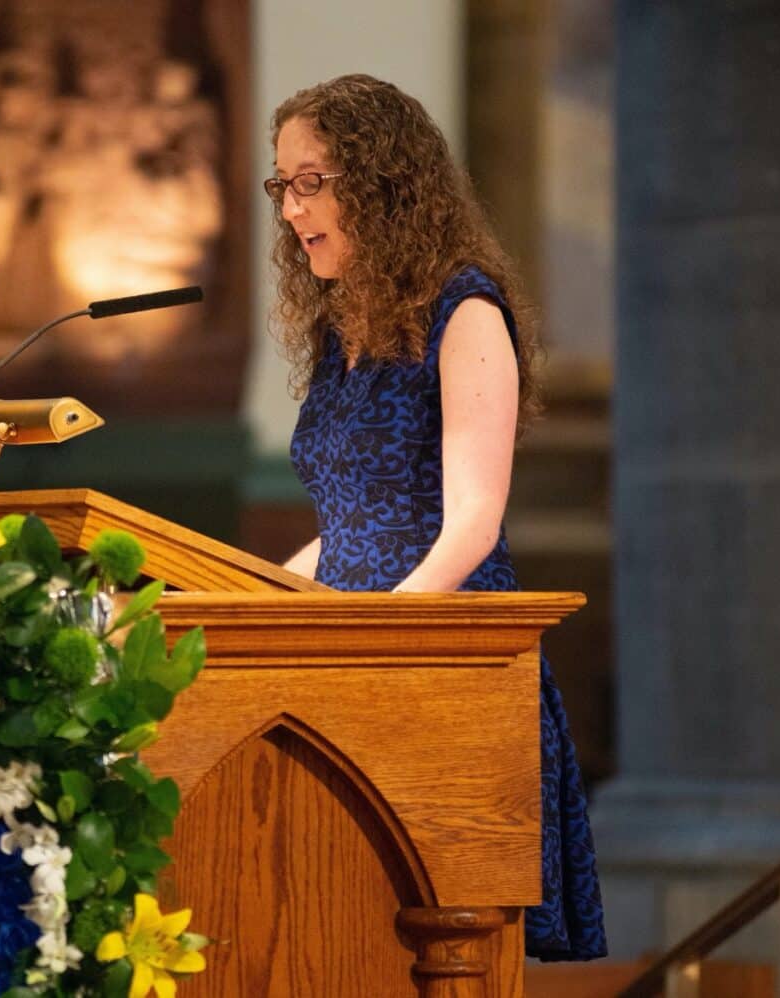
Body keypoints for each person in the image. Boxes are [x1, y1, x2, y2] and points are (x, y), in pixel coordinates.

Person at [266, 74, 606, 961]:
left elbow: (472, 525)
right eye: (281, 186)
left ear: (378, 181)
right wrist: (257, 594)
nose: (291, 208)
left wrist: (380, 638)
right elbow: (348, 528)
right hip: (347, 665)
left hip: (444, 661)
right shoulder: (342, 332)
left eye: (311, 181)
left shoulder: (467, 311)